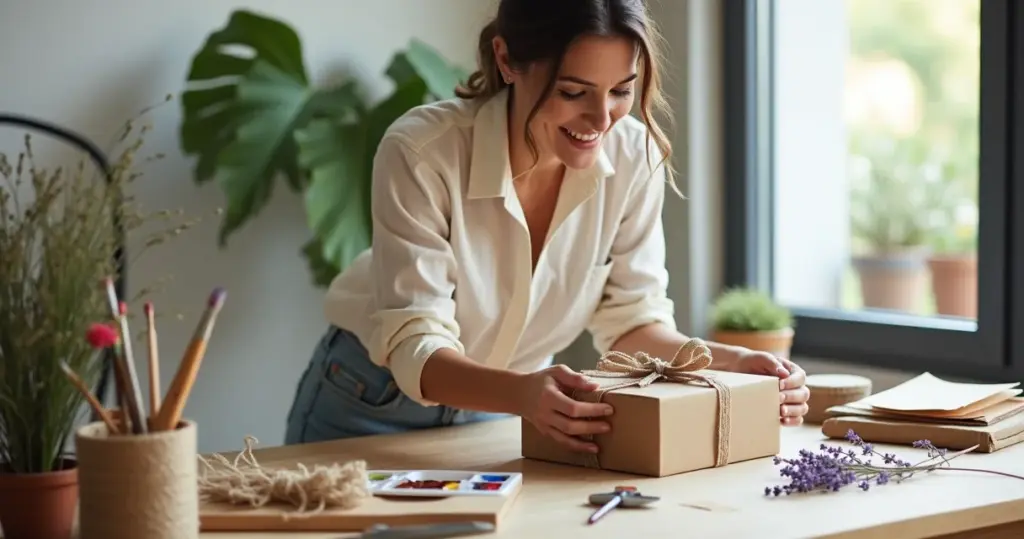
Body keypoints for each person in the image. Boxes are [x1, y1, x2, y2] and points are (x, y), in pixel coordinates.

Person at [284, 0, 810, 452]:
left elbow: (630, 325)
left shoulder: (633, 157)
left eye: (621, 90)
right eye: (575, 92)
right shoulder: (423, 152)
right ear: (507, 59)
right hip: (368, 400)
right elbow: (414, 342)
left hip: (507, 410)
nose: (602, 118)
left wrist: (734, 362)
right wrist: (522, 395)